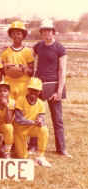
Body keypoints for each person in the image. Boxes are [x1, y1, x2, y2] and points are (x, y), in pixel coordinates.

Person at [29, 19, 72, 158]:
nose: (46, 33)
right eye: (44, 31)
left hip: (53, 86)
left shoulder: (60, 48)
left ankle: (62, 148)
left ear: (53, 32)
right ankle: (33, 145)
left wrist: (59, 91)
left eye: (49, 30)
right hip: (38, 86)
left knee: (57, 119)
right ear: (41, 33)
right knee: (36, 116)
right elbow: (30, 59)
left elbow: (62, 70)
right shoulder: (38, 46)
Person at [14, 77, 51, 167]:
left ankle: (41, 156)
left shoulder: (41, 103)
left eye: (36, 91)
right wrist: (34, 122)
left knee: (44, 129)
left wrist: (40, 121)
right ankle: (25, 155)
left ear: (39, 92)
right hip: (20, 129)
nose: (33, 93)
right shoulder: (20, 100)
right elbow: (19, 119)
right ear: (28, 90)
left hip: (32, 128)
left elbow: (41, 117)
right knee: (23, 158)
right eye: (31, 90)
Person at [1, 21, 34, 100]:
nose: (16, 36)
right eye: (14, 33)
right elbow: (1, 71)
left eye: (19, 33)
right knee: (10, 108)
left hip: (23, 85)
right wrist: (5, 67)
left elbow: (31, 72)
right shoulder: (6, 52)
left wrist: (25, 69)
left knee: (21, 110)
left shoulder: (27, 52)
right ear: (11, 35)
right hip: (9, 84)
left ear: (23, 36)